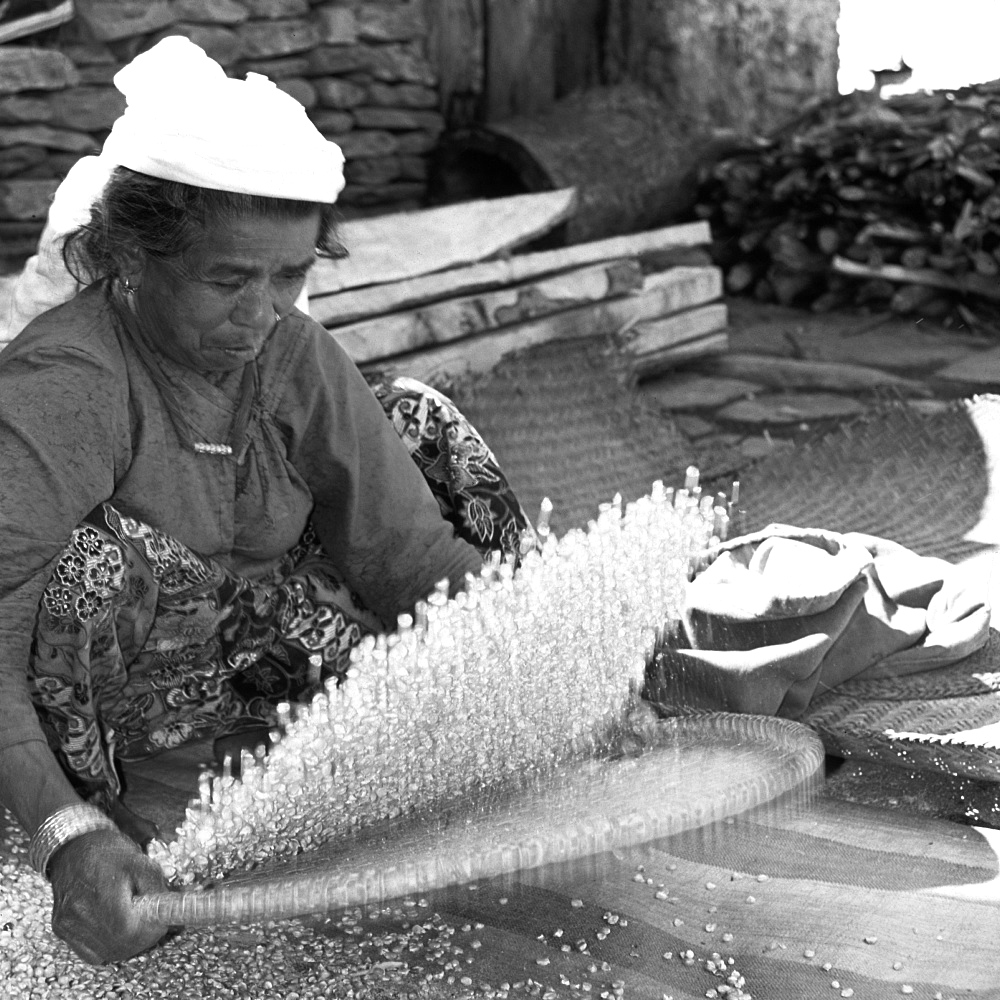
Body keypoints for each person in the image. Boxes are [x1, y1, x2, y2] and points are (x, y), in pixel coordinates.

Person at [0, 37, 534, 966]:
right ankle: (125, 821)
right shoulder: (70, 380)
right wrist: (62, 837)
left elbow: (410, 558)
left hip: (255, 664)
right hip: (109, 725)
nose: (264, 311)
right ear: (131, 255)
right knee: (98, 564)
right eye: (228, 278)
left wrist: (553, 658)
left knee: (415, 418)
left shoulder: (290, 354)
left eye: (290, 274)